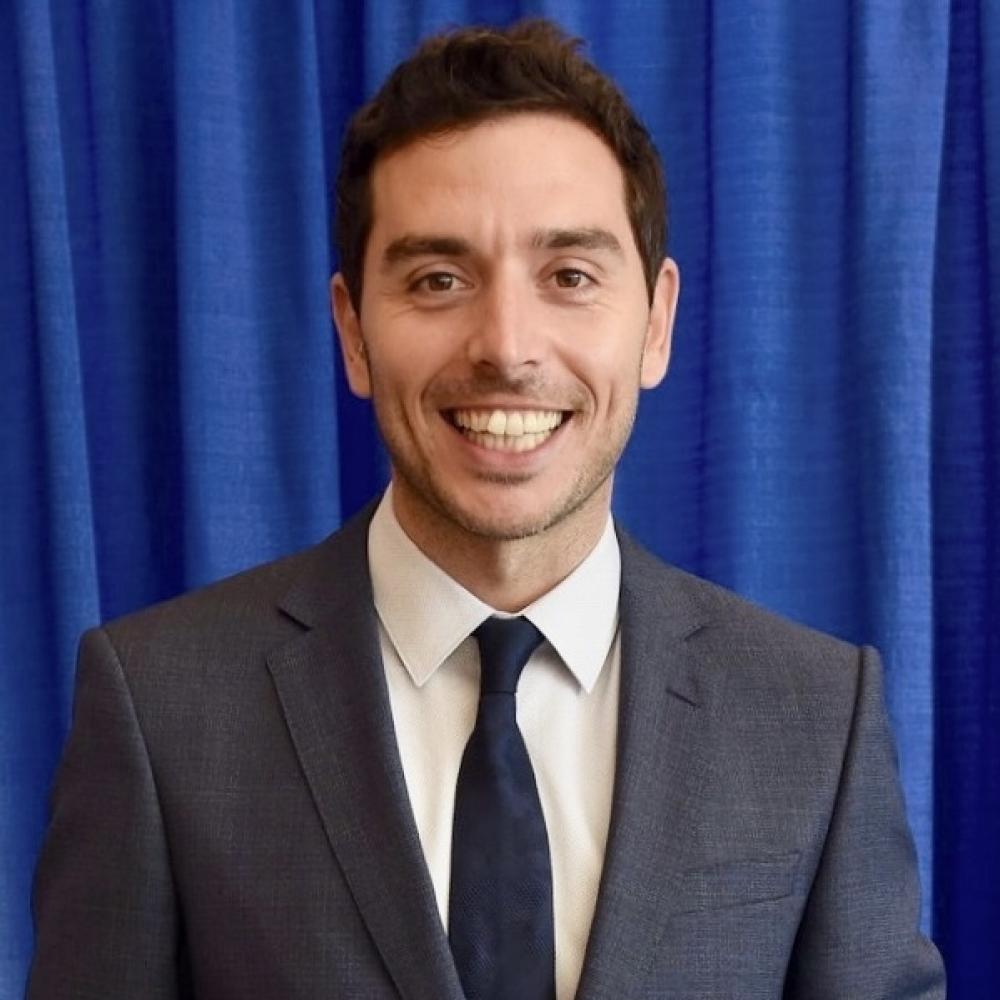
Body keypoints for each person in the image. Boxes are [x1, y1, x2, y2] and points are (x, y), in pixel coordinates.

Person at [29, 19, 945, 1000]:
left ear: (657, 321)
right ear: (352, 329)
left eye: (570, 277)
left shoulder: (811, 718)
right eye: (438, 280)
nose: (506, 345)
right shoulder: (161, 707)